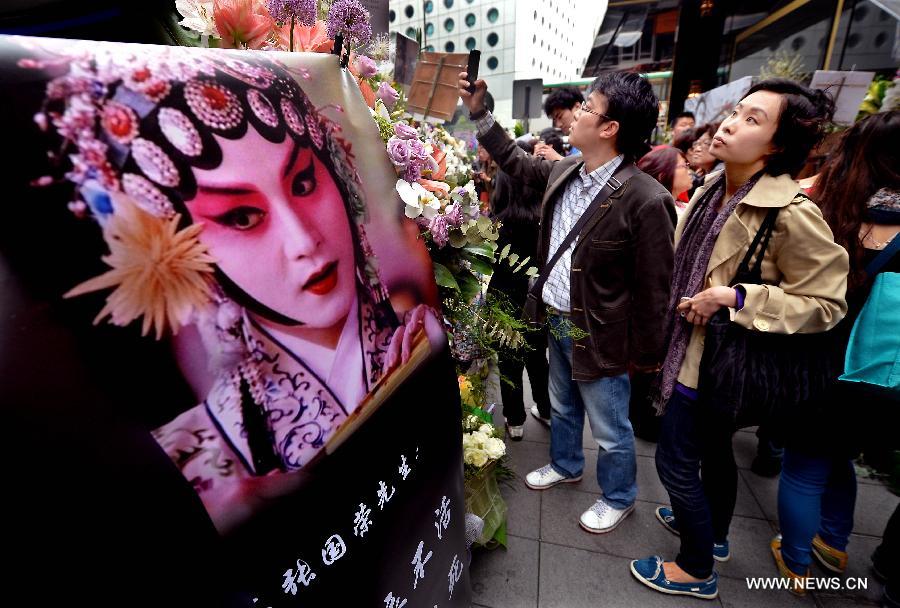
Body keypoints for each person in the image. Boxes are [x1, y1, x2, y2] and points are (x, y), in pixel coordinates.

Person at [29, 45, 442, 531]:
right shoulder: (193, 461)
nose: (302, 240)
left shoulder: (418, 332)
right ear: (186, 250)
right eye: (242, 216)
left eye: (305, 182)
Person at [630, 79, 849, 600]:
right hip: (689, 348)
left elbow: (827, 304)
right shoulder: (714, 188)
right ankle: (718, 534)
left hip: (716, 359)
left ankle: (696, 567)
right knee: (712, 450)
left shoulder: (790, 212)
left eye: (753, 119)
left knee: (676, 462)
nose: (729, 124)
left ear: (776, 145)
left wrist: (738, 298)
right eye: (735, 112)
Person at [459, 69, 675, 533]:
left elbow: (655, 290)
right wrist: (480, 113)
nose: (576, 114)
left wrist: (646, 359)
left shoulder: (647, 199)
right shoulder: (566, 171)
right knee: (560, 403)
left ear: (609, 128)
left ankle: (618, 496)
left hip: (603, 334)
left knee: (612, 428)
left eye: (587, 107)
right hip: (556, 318)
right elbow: (514, 163)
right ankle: (566, 463)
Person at [771, 110, 900, 594]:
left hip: (818, 364)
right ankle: (833, 541)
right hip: (880, 375)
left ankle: (797, 560)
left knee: (804, 464)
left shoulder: (829, 208)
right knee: (840, 457)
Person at [489, 140, 553, 440]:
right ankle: (546, 408)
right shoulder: (545, 223)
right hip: (536, 299)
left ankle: (514, 420)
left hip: (503, 295)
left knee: (508, 358)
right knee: (538, 356)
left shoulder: (495, 225)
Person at [637, 146, 693, 218]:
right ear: (662, 175)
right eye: (684, 166)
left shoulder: (684, 206)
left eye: (687, 165)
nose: (689, 171)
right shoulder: (659, 214)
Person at [537, 86, 585, 160]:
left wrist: (558, 159)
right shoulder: (575, 143)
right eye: (555, 120)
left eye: (560, 116)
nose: (558, 125)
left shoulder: (592, 138)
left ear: (577, 107)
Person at [687, 122, 723, 197]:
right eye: (697, 143)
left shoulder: (720, 175)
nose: (697, 149)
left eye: (706, 143)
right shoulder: (703, 176)